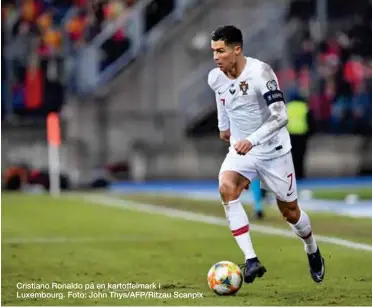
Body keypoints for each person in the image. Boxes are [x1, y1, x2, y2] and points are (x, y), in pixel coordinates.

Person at [207, 25, 325, 284]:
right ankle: (251, 260)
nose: (216, 56)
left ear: (237, 49)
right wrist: (223, 126)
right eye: (213, 51)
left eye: (221, 51)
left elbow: (281, 116)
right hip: (241, 149)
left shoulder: (261, 72)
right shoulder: (215, 77)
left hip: (273, 151)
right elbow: (221, 97)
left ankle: (312, 249)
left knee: (290, 213)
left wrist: (253, 139)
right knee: (226, 188)